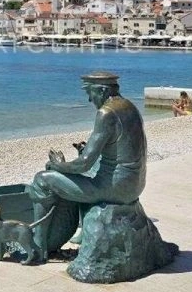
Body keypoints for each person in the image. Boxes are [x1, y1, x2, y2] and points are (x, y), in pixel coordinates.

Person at [26, 71, 146, 260]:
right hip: (134, 185)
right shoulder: (130, 107)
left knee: (42, 179)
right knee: (81, 176)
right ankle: (74, 234)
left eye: (90, 93)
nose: (89, 99)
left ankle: (38, 247)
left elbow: (83, 164)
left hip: (114, 188)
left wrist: (58, 165)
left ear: (102, 90)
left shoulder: (106, 113)